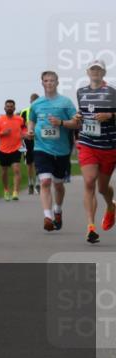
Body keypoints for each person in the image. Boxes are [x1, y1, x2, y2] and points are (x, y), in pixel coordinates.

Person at [25, 71, 78, 232]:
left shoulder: (66, 102)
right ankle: (47, 217)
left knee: (58, 185)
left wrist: (61, 122)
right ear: (42, 83)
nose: (49, 83)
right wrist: (30, 130)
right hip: (41, 148)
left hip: (61, 150)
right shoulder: (36, 104)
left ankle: (58, 210)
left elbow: (76, 123)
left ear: (57, 82)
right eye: (46, 81)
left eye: (52, 80)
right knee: (45, 182)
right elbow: (31, 119)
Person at [73, 60, 116, 244]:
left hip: (109, 145)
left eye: (99, 69)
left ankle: (111, 206)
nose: (95, 72)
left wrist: (110, 115)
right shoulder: (81, 92)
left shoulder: (112, 92)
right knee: (89, 181)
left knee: (103, 188)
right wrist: (77, 117)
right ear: (87, 72)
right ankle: (90, 227)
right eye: (93, 69)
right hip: (87, 142)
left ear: (104, 72)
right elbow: (81, 114)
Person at [0, 99, 27, 202]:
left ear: (14, 108)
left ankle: (15, 192)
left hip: (16, 148)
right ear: (5, 108)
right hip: (3, 149)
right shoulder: (0, 120)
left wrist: (24, 134)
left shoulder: (19, 119)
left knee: (16, 169)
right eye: (8, 106)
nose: (9, 108)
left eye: (11, 106)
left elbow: (24, 129)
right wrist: (2, 133)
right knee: (4, 172)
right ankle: (6, 190)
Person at [19, 94, 40, 194]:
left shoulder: (42, 111)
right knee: (29, 163)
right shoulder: (24, 111)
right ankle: (30, 183)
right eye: (33, 101)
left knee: (37, 162)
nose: (34, 103)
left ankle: (38, 183)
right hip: (27, 140)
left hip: (39, 139)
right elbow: (19, 127)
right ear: (30, 101)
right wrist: (24, 135)